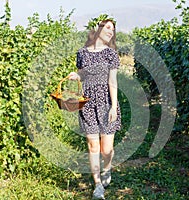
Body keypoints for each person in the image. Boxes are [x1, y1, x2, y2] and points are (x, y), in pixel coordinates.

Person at [68, 14, 121, 199]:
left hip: (106, 102)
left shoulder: (111, 54)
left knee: (106, 149)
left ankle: (107, 168)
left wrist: (114, 106)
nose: (110, 32)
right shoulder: (82, 53)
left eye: (112, 30)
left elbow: (112, 81)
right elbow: (83, 74)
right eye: (107, 28)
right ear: (97, 29)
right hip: (88, 103)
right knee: (93, 146)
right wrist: (77, 76)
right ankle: (98, 185)